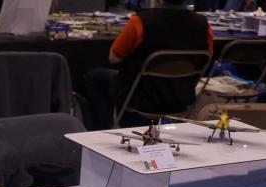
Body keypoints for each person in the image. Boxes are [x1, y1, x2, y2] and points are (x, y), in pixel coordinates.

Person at [84, 0, 213, 130]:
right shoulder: (204, 25)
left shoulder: (140, 21)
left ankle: (102, 130)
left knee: (92, 76)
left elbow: (114, 58)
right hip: (181, 98)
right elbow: (206, 60)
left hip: (140, 98)